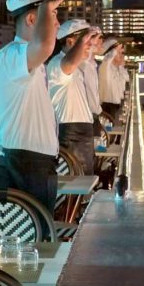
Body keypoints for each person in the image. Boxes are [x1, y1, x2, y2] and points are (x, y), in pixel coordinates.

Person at [0, 0, 65, 218]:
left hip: (34, 166)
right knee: (27, 237)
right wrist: (46, 8)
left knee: (39, 235)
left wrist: (46, 10)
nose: (57, 24)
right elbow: (45, 46)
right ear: (32, 19)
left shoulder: (29, 60)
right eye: (53, 15)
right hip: (22, 166)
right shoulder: (12, 55)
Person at [47, 19, 98, 175]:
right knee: (77, 180)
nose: (90, 45)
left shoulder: (78, 66)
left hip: (80, 130)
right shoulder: (58, 64)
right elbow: (68, 64)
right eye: (85, 41)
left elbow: (85, 60)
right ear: (70, 42)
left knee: (86, 178)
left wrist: (87, 42)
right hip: (70, 132)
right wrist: (83, 42)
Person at [78, 26, 104, 137]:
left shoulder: (93, 64)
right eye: (97, 40)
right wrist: (92, 41)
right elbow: (86, 55)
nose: (101, 43)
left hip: (94, 115)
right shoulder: (83, 63)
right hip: (87, 117)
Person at [98, 38, 126, 123]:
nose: (122, 56)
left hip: (116, 106)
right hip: (107, 107)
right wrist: (115, 49)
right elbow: (107, 58)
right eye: (119, 53)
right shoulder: (105, 67)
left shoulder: (116, 68)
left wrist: (121, 66)